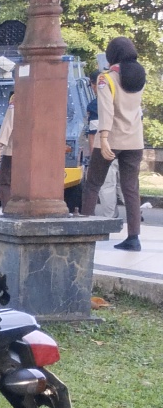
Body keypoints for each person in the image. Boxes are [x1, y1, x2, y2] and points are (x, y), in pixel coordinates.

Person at [87, 36, 148, 250]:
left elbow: (106, 110)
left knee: (93, 183)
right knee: (131, 188)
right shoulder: (139, 75)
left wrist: (103, 138)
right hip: (135, 140)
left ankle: (85, 231)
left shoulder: (107, 78)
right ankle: (134, 238)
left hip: (111, 139)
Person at [0, 92, 17, 211]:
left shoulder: (16, 99)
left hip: (12, 151)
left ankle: (7, 209)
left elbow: (8, 124)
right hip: (31, 153)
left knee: (5, 181)